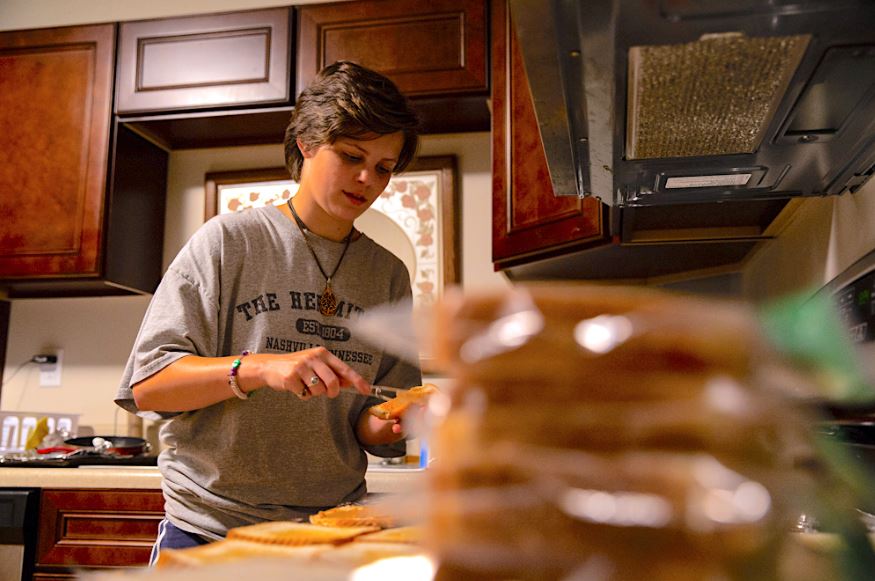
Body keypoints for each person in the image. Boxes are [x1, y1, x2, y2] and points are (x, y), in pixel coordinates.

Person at [114, 60, 422, 562]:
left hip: (328, 535)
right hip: (209, 532)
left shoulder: (387, 274)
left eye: (384, 168)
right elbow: (149, 385)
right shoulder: (227, 242)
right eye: (351, 156)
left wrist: (397, 420)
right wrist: (259, 367)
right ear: (305, 143)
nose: (368, 178)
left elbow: (372, 418)